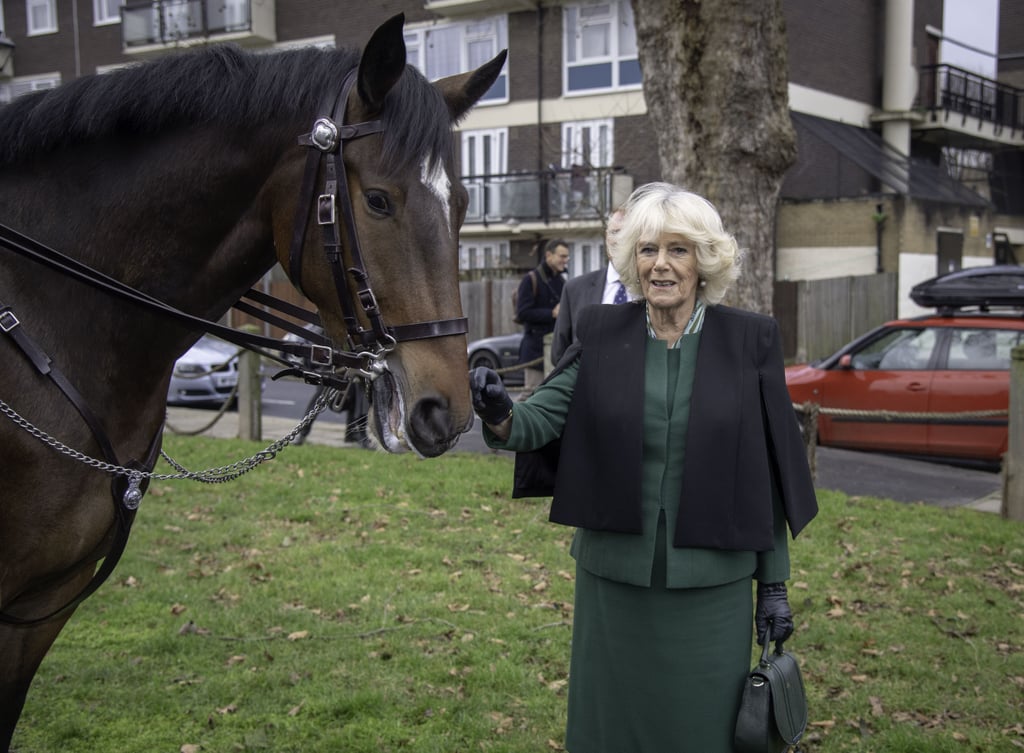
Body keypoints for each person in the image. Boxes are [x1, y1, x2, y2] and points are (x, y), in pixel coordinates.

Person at [470, 182, 818, 753]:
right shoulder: (605, 333)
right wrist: (500, 412)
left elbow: (771, 474)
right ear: (633, 259)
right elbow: (541, 420)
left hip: (713, 585)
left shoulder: (749, 340)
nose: (661, 265)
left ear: (703, 261)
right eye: (648, 249)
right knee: (612, 727)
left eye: (678, 250)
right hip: (615, 580)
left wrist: (773, 586)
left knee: (700, 730)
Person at [550, 208, 631, 365]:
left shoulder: (654, 290)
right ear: (606, 236)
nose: (619, 239)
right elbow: (559, 355)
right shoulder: (574, 290)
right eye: (614, 232)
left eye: (626, 233)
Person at [515, 238, 569, 397]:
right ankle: (512, 422)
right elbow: (522, 313)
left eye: (567, 257)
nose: (565, 261)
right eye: (562, 256)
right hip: (535, 349)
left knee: (550, 397)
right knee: (531, 396)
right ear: (549, 255)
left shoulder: (560, 280)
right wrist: (551, 313)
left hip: (555, 349)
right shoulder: (530, 279)